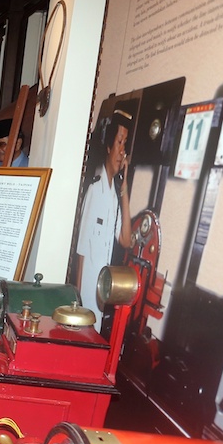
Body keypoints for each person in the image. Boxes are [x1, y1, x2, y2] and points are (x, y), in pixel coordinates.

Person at [75, 109, 134, 316]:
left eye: (125, 145)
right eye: (119, 143)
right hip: (86, 295)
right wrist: (77, 301)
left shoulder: (113, 196)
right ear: (108, 147)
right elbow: (81, 250)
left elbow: (126, 241)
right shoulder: (95, 189)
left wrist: (124, 188)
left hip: (102, 292)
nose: (122, 152)